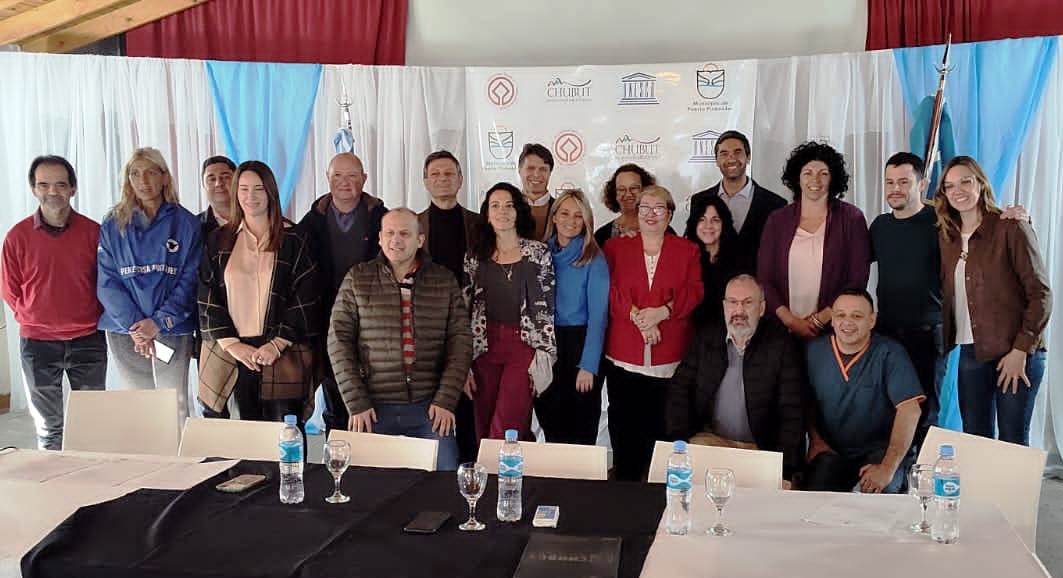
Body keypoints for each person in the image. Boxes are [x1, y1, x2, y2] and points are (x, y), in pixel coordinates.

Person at [328, 209, 470, 470]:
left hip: (430, 407)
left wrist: (446, 399)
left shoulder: (443, 280)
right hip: (372, 407)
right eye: (390, 233)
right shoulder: (358, 278)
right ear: (380, 238)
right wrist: (356, 401)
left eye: (405, 233)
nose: (396, 240)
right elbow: (338, 342)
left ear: (420, 240)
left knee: (446, 476)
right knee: (364, 483)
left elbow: (460, 342)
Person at [936, 156, 1051, 446]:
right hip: (971, 352)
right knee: (976, 442)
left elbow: (1041, 294)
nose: (958, 191)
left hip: (1016, 351)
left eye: (965, 181)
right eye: (950, 186)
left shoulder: (1010, 227)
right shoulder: (946, 237)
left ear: (981, 184)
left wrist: (1020, 350)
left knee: (1012, 441)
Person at [198, 161, 322, 422]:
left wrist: (277, 344)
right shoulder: (218, 240)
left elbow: (306, 297)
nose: (250, 196)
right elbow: (207, 296)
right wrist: (232, 345)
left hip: (281, 352)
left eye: (258, 189)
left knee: (286, 433)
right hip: (232, 353)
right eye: (243, 189)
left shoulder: (295, 239)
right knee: (239, 435)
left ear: (271, 192)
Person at [1, 156, 106, 450]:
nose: (52, 191)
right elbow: (10, 289)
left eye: (60, 184)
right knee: (50, 429)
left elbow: (106, 282)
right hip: (38, 344)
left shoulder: (94, 232)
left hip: (88, 340)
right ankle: (54, 477)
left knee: (92, 424)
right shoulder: (17, 236)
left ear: (73, 188)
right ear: (34, 189)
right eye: (44, 185)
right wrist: (35, 315)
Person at [604, 185, 703, 481]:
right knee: (625, 427)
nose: (651, 214)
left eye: (658, 208)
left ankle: (660, 493)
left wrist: (663, 312)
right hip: (624, 354)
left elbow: (695, 291)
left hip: (669, 355)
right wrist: (638, 317)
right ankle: (626, 487)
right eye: (645, 207)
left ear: (669, 214)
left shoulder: (688, 250)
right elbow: (609, 290)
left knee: (663, 429)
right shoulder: (616, 248)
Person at [665, 275, 804, 483]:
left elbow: (792, 410)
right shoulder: (706, 338)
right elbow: (679, 390)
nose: (739, 311)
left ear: (762, 308)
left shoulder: (781, 344)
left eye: (748, 303)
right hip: (711, 441)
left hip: (761, 448)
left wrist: (785, 471)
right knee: (685, 486)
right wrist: (679, 442)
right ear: (724, 306)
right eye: (732, 302)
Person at [97, 147, 200, 426]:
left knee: (174, 406)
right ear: (127, 180)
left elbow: (190, 280)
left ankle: (180, 455)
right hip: (126, 332)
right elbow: (107, 281)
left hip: (171, 327)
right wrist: (137, 328)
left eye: (151, 172)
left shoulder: (186, 223)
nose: (143, 181)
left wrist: (158, 322)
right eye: (135, 174)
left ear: (164, 177)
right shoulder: (113, 225)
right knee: (140, 408)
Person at [299, 152, 387, 432]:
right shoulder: (310, 223)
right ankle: (337, 454)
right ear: (327, 178)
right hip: (327, 322)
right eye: (337, 175)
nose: (344, 182)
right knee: (335, 396)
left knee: (375, 401)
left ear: (365, 178)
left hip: (375, 323)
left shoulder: (383, 219)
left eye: (352, 175)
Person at [804, 290, 924, 493]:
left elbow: (910, 410)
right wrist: (815, 441)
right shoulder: (814, 351)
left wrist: (887, 468)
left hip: (880, 452)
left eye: (857, 316)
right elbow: (804, 401)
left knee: (875, 500)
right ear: (832, 320)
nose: (847, 322)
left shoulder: (890, 353)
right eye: (840, 315)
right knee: (813, 497)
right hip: (832, 452)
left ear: (872, 320)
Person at [463, 182, 555, 441]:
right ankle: (500, 466)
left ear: (518, 212)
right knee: (484, 422)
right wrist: (462, 362)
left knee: (507, 424)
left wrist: (543, 353)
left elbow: (548, 307)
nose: (502, 211)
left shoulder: (538, 253)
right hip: (483, 347)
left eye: (508, 205)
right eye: (495, 205)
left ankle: (500, 467)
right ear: (487, 213)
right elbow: (464, 309)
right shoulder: (475, 256)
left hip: (523, 344)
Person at [758, 141, 871, 340]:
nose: (815, 180)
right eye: (808, 173)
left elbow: (857, 278)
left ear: (833, 178)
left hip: (833, 330)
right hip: (781, 331)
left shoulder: (852, 219)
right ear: (797, 177)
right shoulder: (777, 220)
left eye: (823, 174)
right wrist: (791, 321)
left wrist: (821, 319)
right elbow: (765, 278)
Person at [417, 150, 481, 462]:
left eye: (449, 173)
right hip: (427, 334)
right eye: (435, 174)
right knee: (434, 419)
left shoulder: (479, 224)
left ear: (460, 180)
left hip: (473, 331)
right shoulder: (413, 225)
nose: (442, 179)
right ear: (425, 181)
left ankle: (470, 473)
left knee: (470, 414)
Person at [535, 189, 609, 445]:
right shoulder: (540, 253)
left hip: (580, 344)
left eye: (579, 215)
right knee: (551, 423)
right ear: (554, 217)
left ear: (586, 221)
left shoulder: (593, 258)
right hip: (547, 345)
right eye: (565, 213)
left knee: (581, 429)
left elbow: (599, 317)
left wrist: (588, 365)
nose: (571, 220)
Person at [688, 130, 786, 274]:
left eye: (737, 152)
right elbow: (694, 249)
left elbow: (778, 256)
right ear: (717, 160)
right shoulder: (699, 201)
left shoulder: (775, 204)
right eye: (724, 153)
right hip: (711, 284)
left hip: (756, 285)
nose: (731, 158)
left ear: (748, 157)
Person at [683, 193, 739, 327]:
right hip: (693, 331)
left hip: (730, 330)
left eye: (715, 220)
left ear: (724, 223)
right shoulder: (684, 257)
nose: (708, 226)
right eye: (702, 219)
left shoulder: (739, 258)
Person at [594, 163, 656, 248]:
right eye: (621, 189)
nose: (628, 194)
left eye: (634, 188)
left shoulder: (661, 229)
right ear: (614, 194)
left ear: (646, 190)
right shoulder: (601, 236)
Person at [518, 143, 555, 241]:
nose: (536, 174)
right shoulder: (507, 208)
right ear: (519, 170)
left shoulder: (561, 210)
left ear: (550, 173)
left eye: (543, 169)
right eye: (531, 168)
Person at [199, 155, 235, 238]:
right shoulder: (194, 227)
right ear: (204, 185)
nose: (218, 184)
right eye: (212, 179)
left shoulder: (254, 219)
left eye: (226, 177)